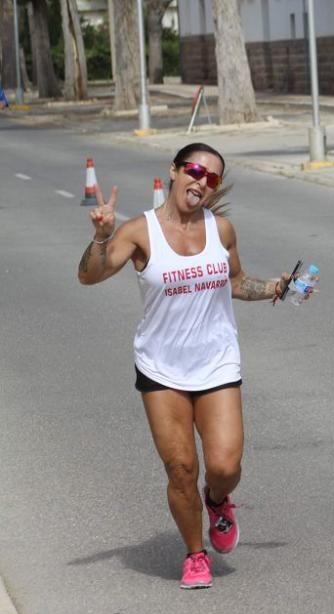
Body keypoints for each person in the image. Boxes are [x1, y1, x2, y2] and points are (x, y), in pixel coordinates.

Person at [77, 143, 292, 588]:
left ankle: (217, 500)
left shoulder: (222, 229)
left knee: (225, 467)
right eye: (195, 170)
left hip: (216, 362)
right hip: (161, 368)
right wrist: (101, 236)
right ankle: (196, 554)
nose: (202, 182)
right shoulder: (140, 231)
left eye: (212, 178)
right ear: (174, 171)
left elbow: (235, 280)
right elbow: (90, 275)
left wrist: (274, 286)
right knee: (180, 469)